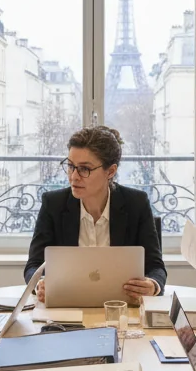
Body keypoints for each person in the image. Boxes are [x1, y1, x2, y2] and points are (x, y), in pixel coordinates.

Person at [23, 125, 166, 302]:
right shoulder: (53, 204)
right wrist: (40, 284)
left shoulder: (136, 204)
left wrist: (152, 286)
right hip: (66, 311)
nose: (74, 176)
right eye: (70, 166)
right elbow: (33, 266)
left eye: (84, 169)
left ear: (111, 171)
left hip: (121, 310)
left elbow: (156, 268)